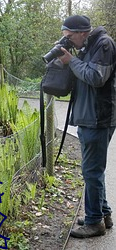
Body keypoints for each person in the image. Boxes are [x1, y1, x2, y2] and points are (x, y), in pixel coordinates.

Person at [58, 15, 116, 238]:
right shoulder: (87, 46)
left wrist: (71, 61)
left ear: (82, 32)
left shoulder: (104, 44)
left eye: (70, 37)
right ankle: (103, 214)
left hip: (98, 118)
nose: (69, 41)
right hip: (88, 117)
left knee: (91, 171)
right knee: (93, 171)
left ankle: (94, 223)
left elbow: (95, 77)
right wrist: (68, 60)